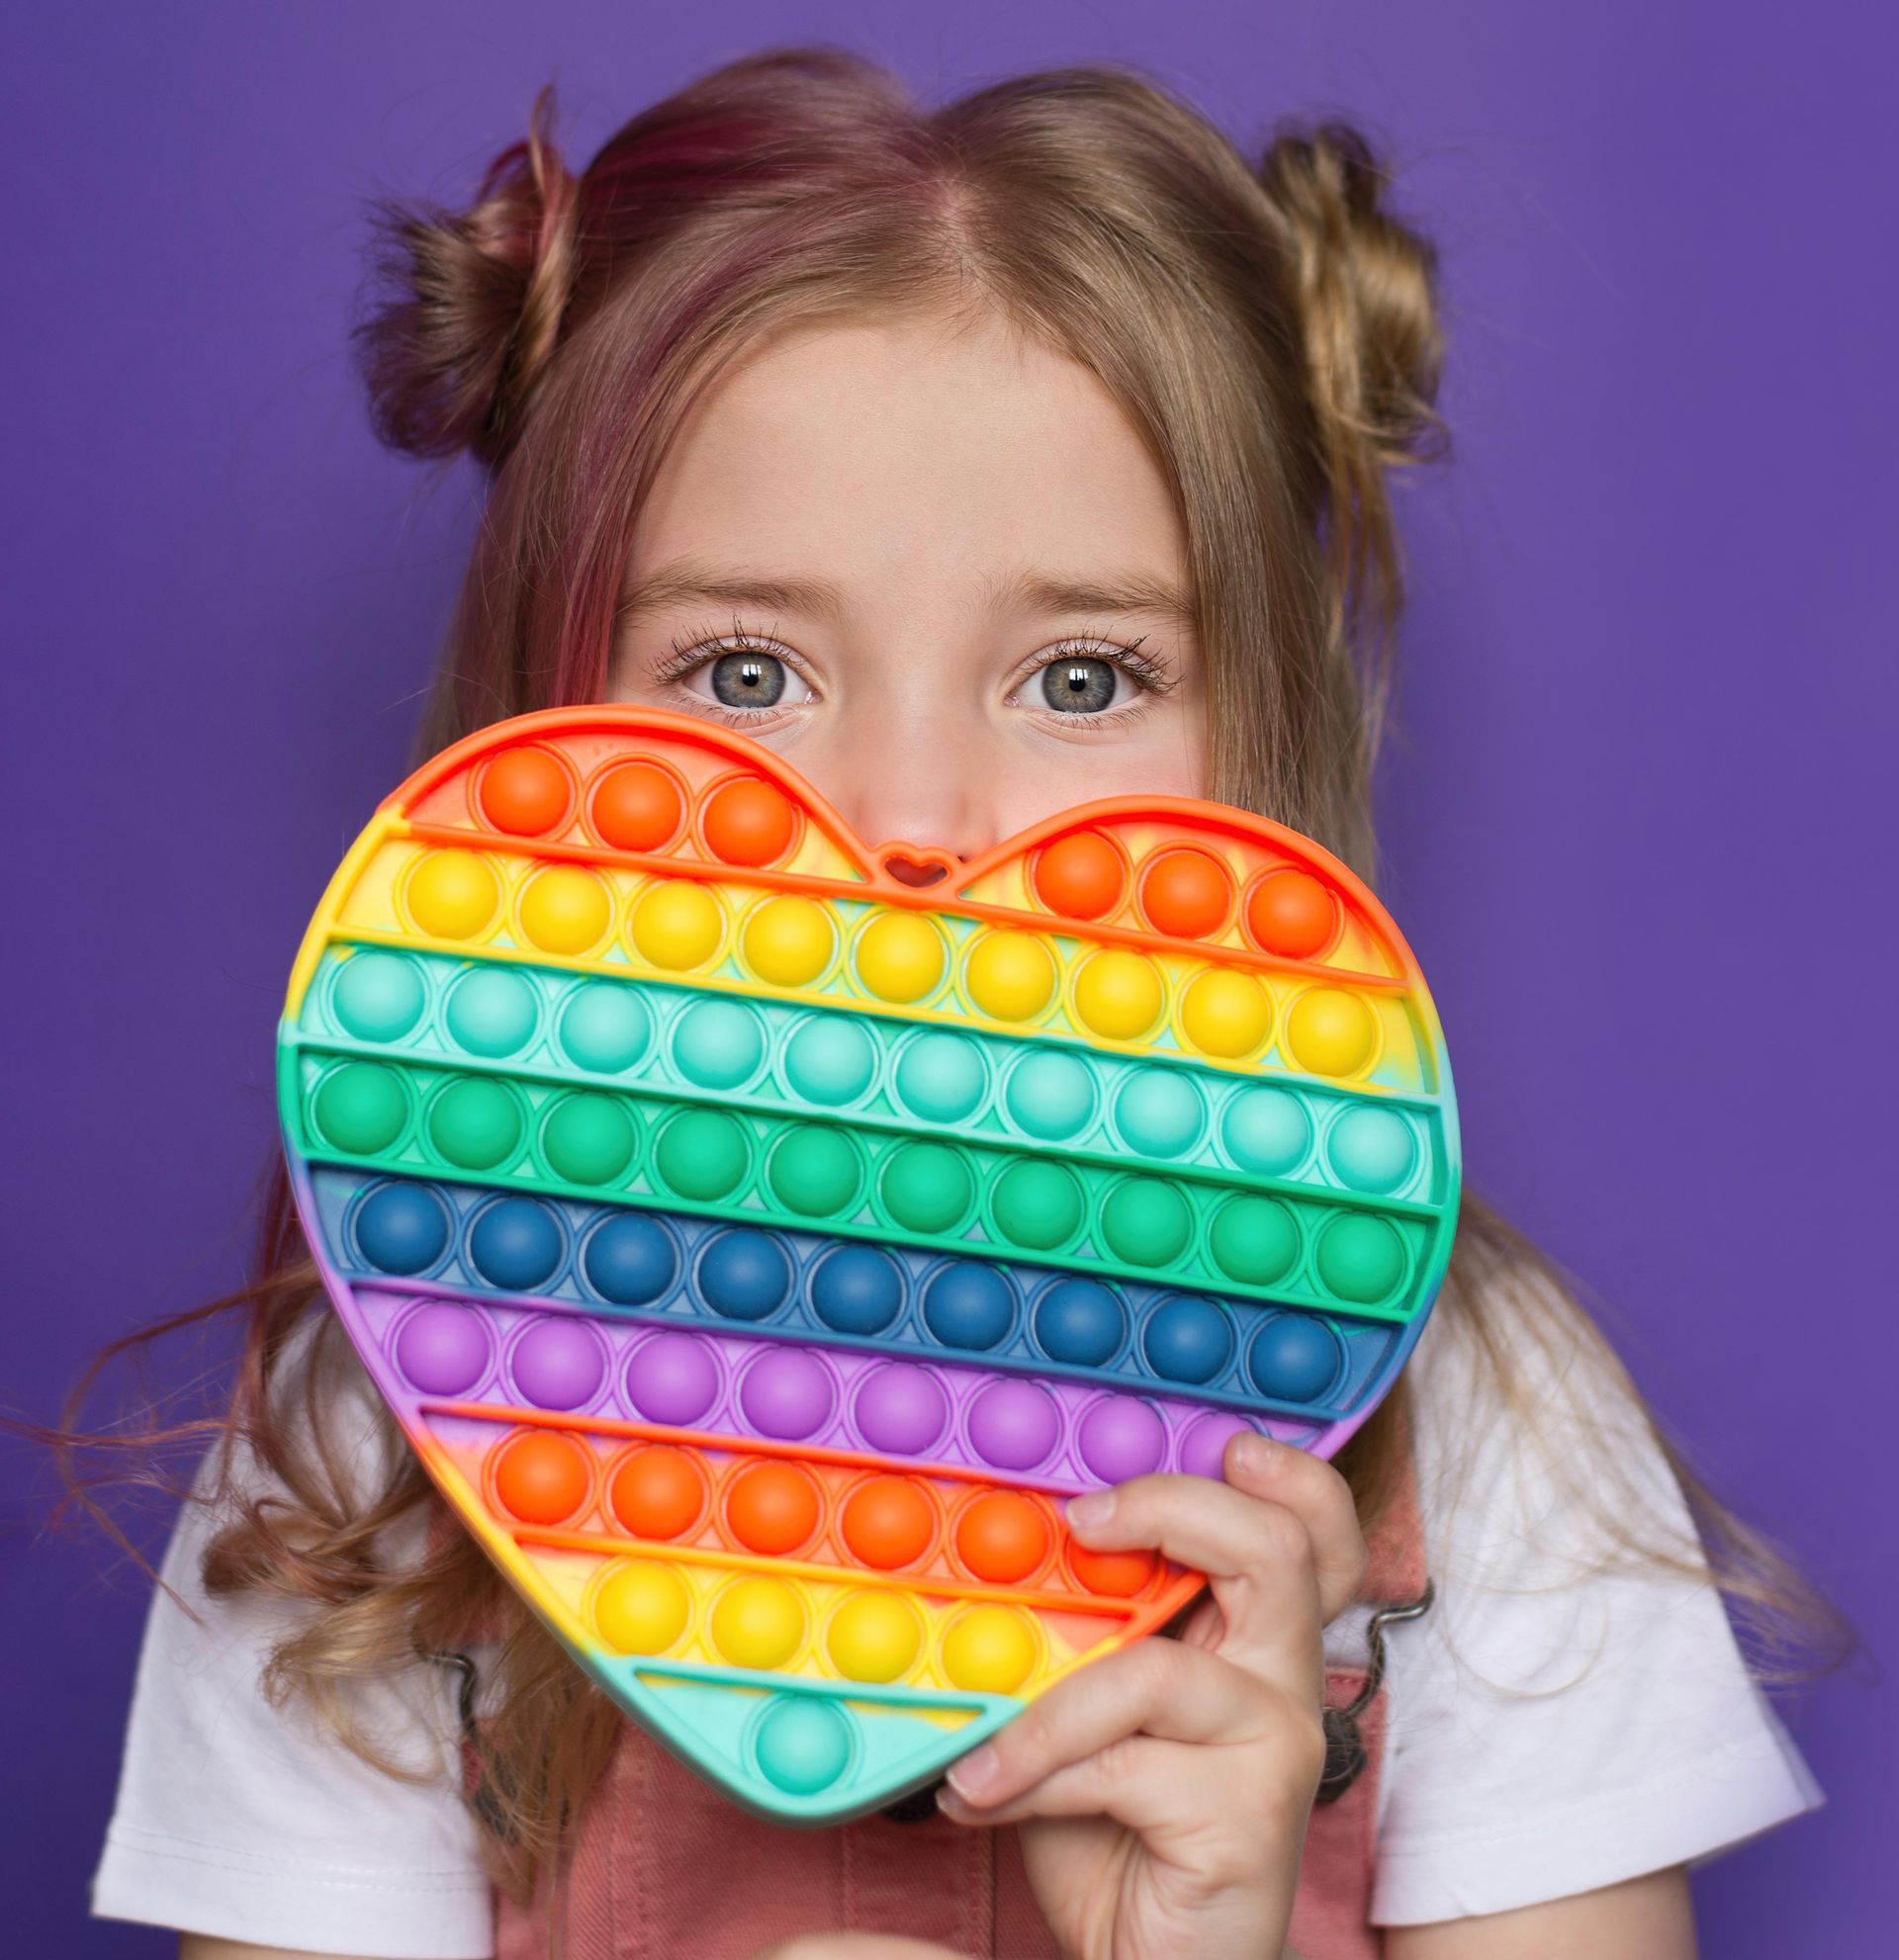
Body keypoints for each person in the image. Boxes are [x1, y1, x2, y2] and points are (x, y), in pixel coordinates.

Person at [79, 46, 1829, 1960]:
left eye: (1081, 678)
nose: (909, 817)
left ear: (1262, 716)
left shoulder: (1484, 1423)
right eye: (743, 669)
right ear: (550, 693)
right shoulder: (374, 1444)